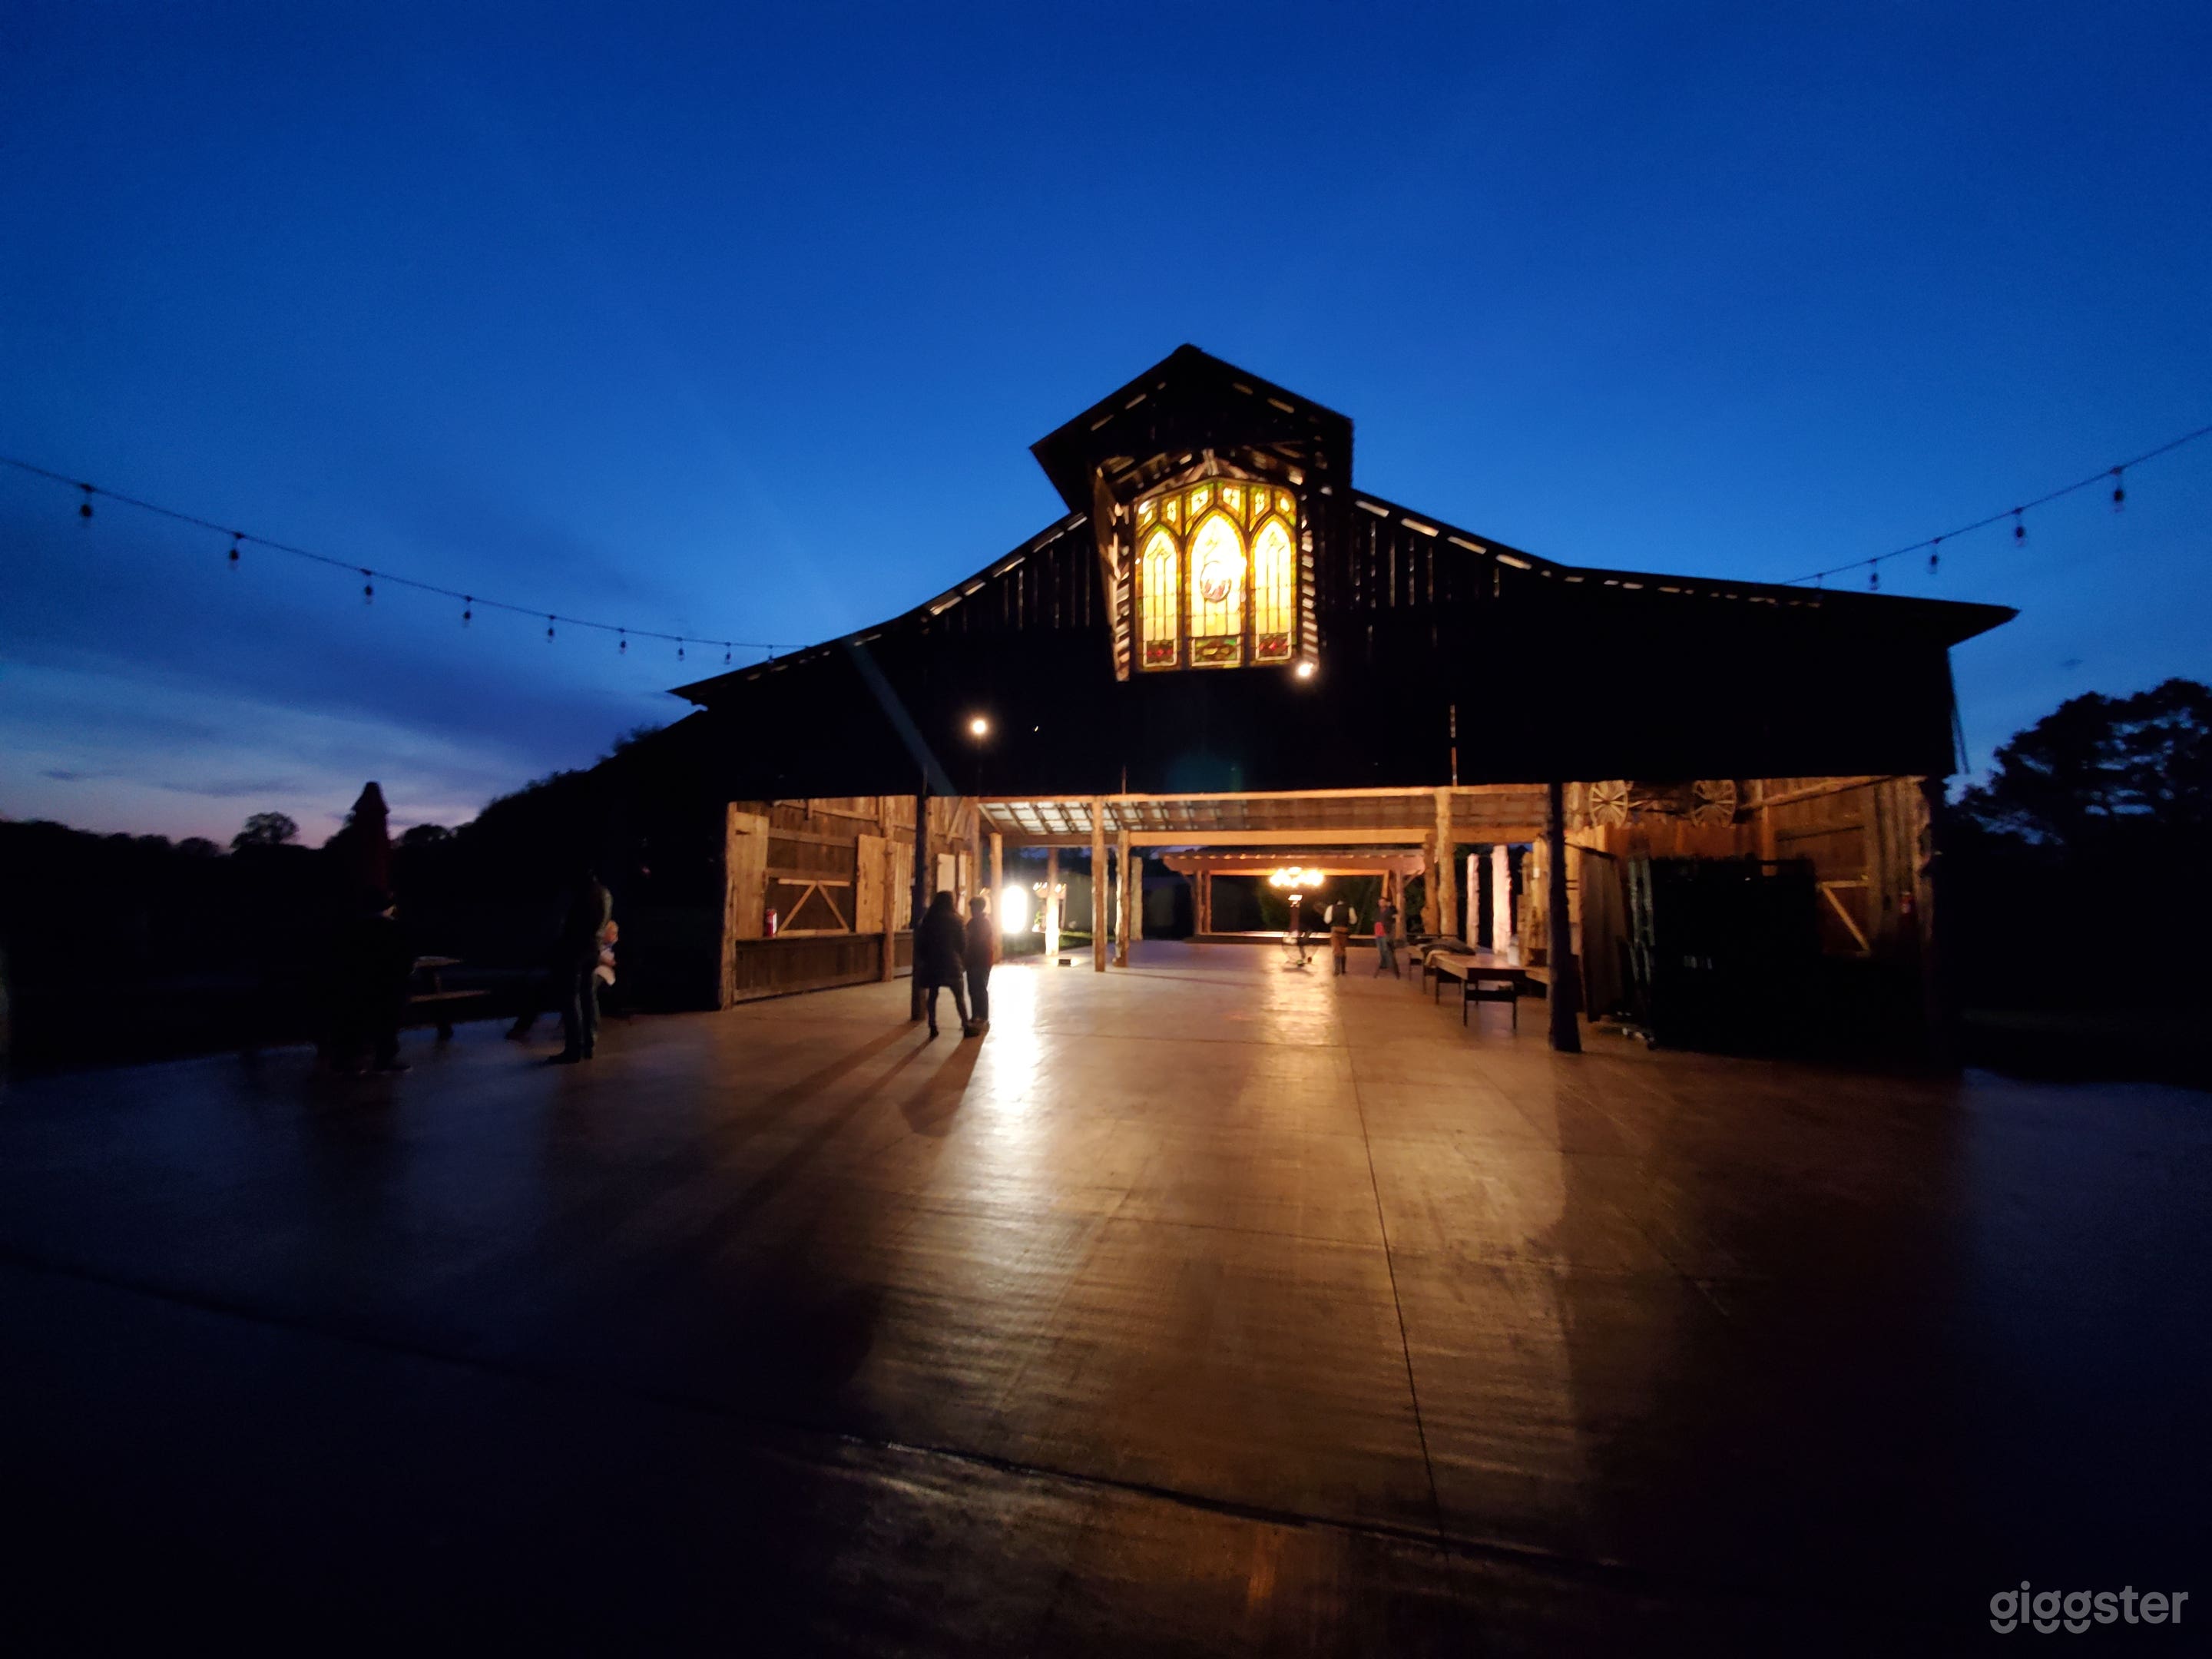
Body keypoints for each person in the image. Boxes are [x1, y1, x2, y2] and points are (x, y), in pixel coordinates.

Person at [555, 866, 612, 1063]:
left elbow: (571, 925)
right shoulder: (605, 893)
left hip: (576, 950)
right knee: (588, 995)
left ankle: (574, 1047)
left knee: (571, 997)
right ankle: (589, 1042)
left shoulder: (582, 894)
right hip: (593, 949)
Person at [916, 889, 974, 1038]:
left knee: (933, 995)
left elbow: (921, 942)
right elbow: (962, 943)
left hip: (933, 962)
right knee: (959, 996)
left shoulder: (928, 919)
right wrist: (959, 957)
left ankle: (932, 1025)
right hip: (951, 962)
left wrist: (925, 958)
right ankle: (966, 1025)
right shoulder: (957, 920)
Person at [964, 893, 995, 1031]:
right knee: (973, 989)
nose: (971, 910)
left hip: (981, 960)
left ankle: (983, 1017)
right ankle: (976, 1015)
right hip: (973, 960)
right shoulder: (973, 922)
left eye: (973, 908)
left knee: (980, 988)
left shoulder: (983, 923)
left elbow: (978, 940)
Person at [1324, 898, 1355, 976]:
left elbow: (1327, 920)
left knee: (1336, 950)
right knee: (1343, 949)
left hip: (1335, 930)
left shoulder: (1331, 908)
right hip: (1345, 931)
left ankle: (1337, 970)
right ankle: (1343, 969)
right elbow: (1353, 921)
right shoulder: (1350, 909)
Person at [1375, 896, 1401, 978]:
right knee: (1381, 949)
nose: (1381, 903)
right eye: (1380, 902)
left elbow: (1396, 913)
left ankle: (1392, 966)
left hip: (1386, 932)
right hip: (1378, 932)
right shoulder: (1378, 911)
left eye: (1383, 902)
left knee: (1387, 949)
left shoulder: (1389, 910)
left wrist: (1391, 906)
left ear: (1386, 903)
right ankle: (1384, 964)